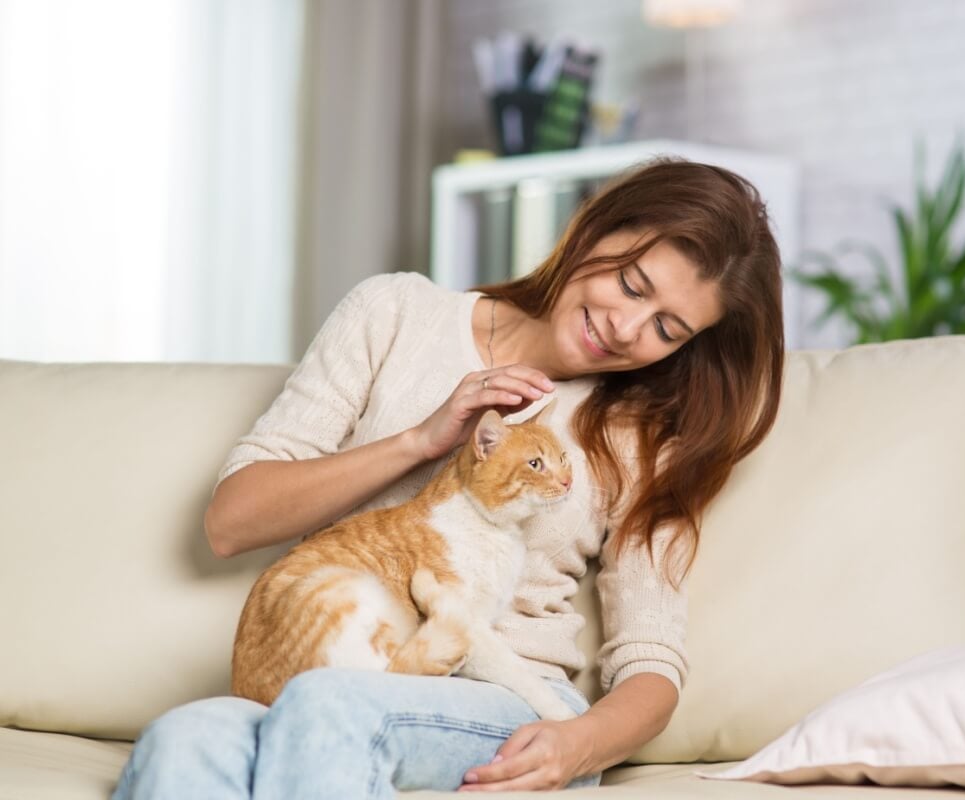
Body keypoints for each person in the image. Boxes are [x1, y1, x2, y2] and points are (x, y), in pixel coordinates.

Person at [111, 158, 784, 798]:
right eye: (632, 285)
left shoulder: (643, 432)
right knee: (184, 736)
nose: (626, 326)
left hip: (499, 699)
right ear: (592, 230)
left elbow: (651, 660)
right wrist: (421, 440)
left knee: (330, 707)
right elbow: (233, 521)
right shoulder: (394, 312)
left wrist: (576, 745)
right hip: (336, 667)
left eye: (667, 327)